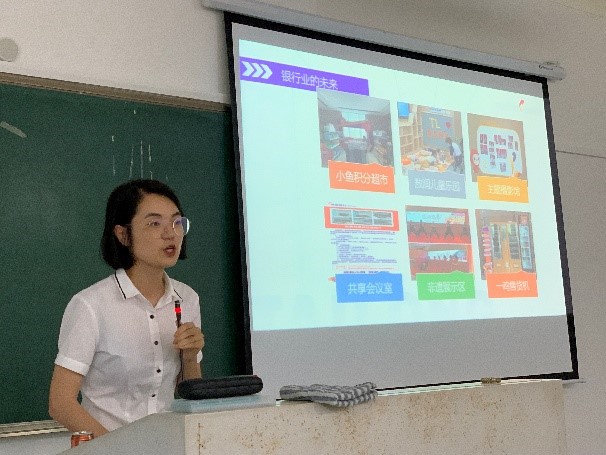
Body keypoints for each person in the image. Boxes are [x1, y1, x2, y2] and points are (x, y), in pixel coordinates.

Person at [49, 179, 204, 437]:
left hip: (168, 443)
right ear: (123, 235)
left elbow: (189, 394)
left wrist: (189, 357)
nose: (170, 233)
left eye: (177, 222)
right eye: (154, 223)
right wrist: (116, 448)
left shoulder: (187, 298)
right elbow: (60, 403)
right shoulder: (91, 305)